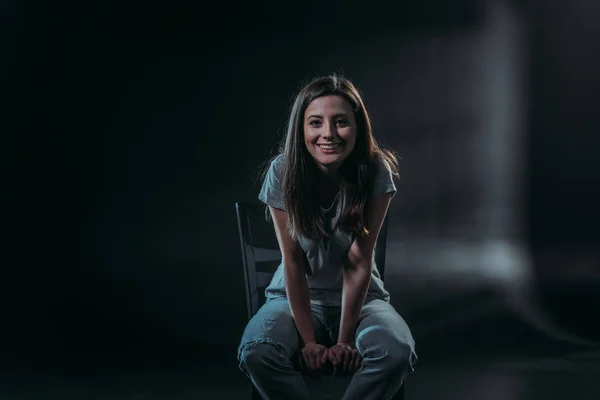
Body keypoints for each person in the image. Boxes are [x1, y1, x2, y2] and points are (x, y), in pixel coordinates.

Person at [237, 74, 417, 400]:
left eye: (341, 122)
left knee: (396, 352)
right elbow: (292, 261)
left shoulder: (376, 170)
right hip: (290, 301)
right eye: (315, 122)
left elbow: (359, 261)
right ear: (301, 130)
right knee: (257, 352)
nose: (328, 134)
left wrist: (345, 340)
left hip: (364, 303)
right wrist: (308, 342)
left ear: (358, 128)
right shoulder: (282, 171)